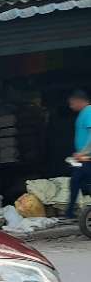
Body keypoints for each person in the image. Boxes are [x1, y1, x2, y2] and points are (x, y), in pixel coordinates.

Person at [65, 89, 91, 219]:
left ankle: (70, 212)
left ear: (79, 101)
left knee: (79, 181)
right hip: (82, 158)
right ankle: (70, 212)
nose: (71, 106)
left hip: (87, 158)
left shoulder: (89, 112)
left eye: (72, 103)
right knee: (76, 181)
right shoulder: (83, 113)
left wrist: (83, 153)